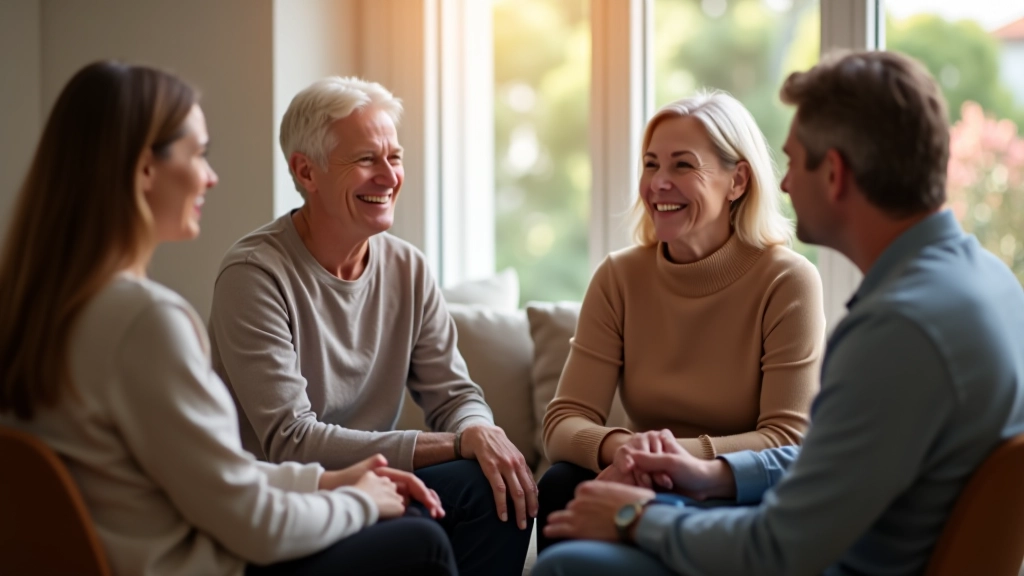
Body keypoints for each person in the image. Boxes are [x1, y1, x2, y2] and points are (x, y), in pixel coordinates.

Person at [532, 50, 1024, 576]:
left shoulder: (897, 328)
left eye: (794, 161)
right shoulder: (991, 281)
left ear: (833, 173)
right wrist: (710, 474)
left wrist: (634, 516)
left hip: (828, 560)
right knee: (566, 487)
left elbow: (778, 546)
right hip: (834, 541)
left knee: (567, 566)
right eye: (652, 164)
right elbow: (823, 464)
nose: (785, 184)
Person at [0, 61, 456, 576]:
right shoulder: (146, 322)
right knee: (421, 539)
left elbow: (210, 476)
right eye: (198, 154)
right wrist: (362, 503)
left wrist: (328, 482)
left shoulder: (39, 306)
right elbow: (252, 523)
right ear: (144, 169)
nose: (211, 177)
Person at [208, 76, 534, 576]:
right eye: (366, 160)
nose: (388, 177)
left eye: (395, 158)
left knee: (494, 488)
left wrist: (478, 433)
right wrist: (457, 443)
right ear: (306, 172)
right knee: (426, 523)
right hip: (290, 505)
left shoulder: (408, 268)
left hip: (377, 485)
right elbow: (292, 440)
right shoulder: (254, 275)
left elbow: (454, 396)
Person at [536, 90, 826, 552]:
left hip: (728, 493)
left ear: (738, 181)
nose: (658, 184)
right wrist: (627, 451)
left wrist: (667, 458)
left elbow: (787, 439)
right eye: (651, 165)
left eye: (682, 165)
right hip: (640, 480)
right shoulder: (620, 277)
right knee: (560, 483)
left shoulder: (787, 281)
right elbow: (563, 421)